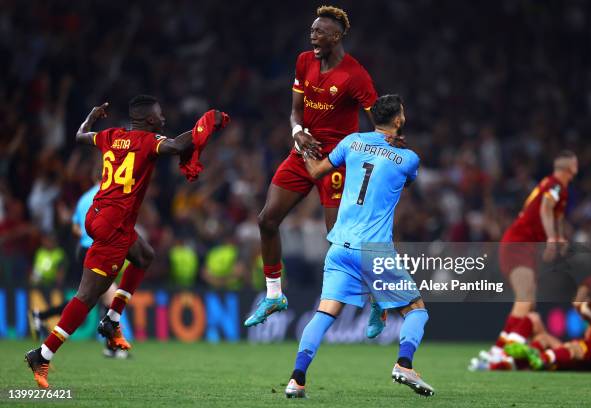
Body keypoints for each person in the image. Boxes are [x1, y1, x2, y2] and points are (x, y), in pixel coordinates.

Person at [25, 96, 226, 388]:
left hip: (98, 214)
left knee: (144, 255)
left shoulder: (112, 136)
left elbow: (79, 136)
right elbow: (180, 146)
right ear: (148, 121)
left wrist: (92, 118)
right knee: (86, 297)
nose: (164, 120)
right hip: (114, 226)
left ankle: (112, 319)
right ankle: (42, 354)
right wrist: (208, 121)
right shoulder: (147, 141)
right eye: (159, 117)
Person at [246, 5, 403, 329]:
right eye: (312, 30)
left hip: (337, 160)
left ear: (338, 36)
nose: (313, 35)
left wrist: (389, 147)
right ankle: (274, 294)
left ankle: (378, 300)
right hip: (303, 152)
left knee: (340, 239)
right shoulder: (304, 61)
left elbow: (380, 120)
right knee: (267, 220)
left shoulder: (354, 75)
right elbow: (295, 112)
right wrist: (297, 132)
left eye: (320, 32)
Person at [284, 95, 434, 398]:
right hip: (373, 249)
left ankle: (296, 380)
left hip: (339, 244)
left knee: (324, 314)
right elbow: (400, 181)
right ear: (399, 120)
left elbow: (315, 172)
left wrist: (301, 146)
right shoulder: (409, 158)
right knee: (416, 310)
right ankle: (404, 364)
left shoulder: (352, 142)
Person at [482, 151, 578, 364]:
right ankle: (499, 352)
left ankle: (506, 351)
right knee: (525, 297)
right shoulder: (555, 185)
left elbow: (557, 216)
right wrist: (553, 238)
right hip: (518, 244)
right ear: (570, 167)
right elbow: (545, 209)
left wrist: (559, 236)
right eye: (575, 165)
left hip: (524, 246)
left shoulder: (556, 188)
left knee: (529, 304)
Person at [30, 163, 129, 358]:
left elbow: (75, 228)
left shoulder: (84, 198)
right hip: (99, 250)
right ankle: (113, 346)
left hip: (84, 250)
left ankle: (41, 316)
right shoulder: (107, 195)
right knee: (109, 298)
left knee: (86, 298)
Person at [505, 270, 591, 372]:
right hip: (588, 346)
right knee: (541, 334)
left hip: (590, 352)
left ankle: (530, 359)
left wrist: (587, 312)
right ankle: (517, 356)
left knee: (579, 350)